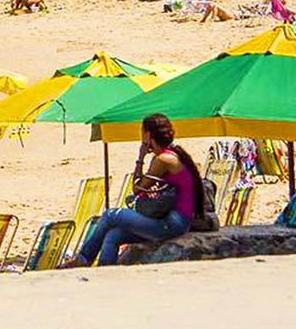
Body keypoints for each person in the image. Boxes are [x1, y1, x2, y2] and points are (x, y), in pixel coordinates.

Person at [66, 114, 202, 267]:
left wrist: (140, 156)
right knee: (113, 235)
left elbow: (136, 188)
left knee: (110, 215)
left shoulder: (163, 160)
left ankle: (83, 259)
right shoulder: (169, 156)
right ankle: (103, 272)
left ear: (148, 135)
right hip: (175, 221)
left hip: (172, 224)